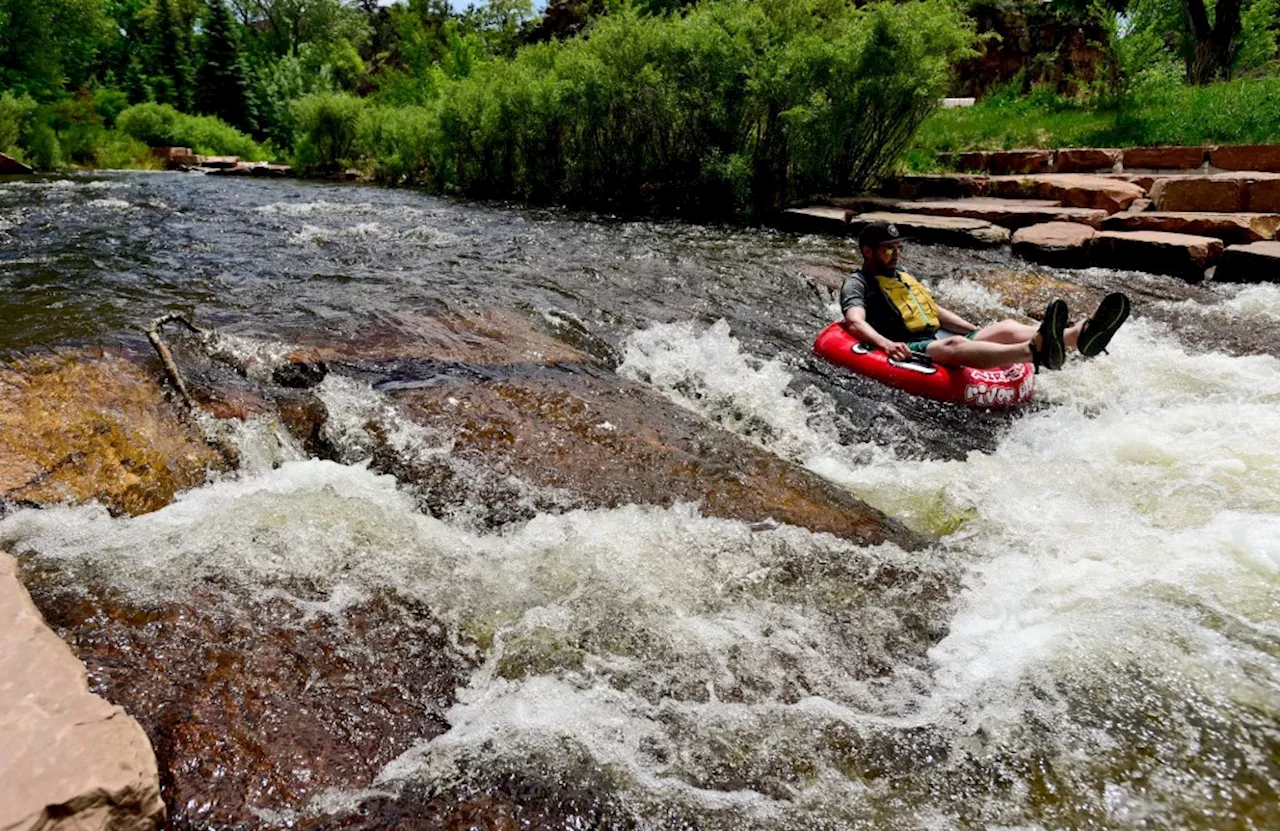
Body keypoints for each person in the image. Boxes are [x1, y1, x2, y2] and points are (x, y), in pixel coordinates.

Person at [840, 221, 1130, 372]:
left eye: (897, 248)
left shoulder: (901, 275)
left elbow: (934, 311)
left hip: (932, 336)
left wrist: (974, 330)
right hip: (909, 345)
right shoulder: (858, 283)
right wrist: (887, 344)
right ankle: (1035, 352)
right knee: (951, 345)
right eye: (888, 249)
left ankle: (1079, 334)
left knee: (1004, 327)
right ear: (867, 251)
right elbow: (855, 323)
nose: (895, 254)